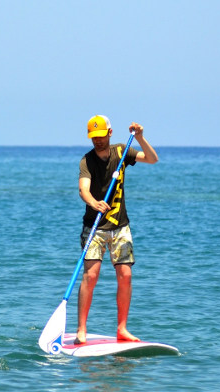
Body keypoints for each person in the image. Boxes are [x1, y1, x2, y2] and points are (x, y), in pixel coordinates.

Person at [75, 115, 158, 344]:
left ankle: (122, 329)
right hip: (95, 227)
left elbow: (152, 159)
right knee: (91, 276)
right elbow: (83, 190)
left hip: (120, 226)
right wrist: (94, 203)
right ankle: (81, 329)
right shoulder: (87, 161)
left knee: (126, 275)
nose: (97, 141)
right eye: (93, 137)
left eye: (101, 136)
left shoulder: (122, 152)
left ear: (109, 133)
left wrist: (140, 137)